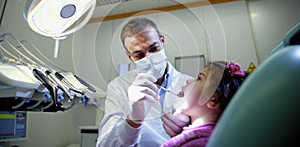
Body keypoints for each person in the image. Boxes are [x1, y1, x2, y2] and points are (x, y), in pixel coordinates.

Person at [96, 17, 193, 147]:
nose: (149, 58)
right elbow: (105, 145)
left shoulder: (190, 84)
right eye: (139, 55)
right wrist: (133, 120)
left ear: (162, 41)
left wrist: (190, 134)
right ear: (130, 56)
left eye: (153, 49)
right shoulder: (118, 87)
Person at [161, 61, 248, 147]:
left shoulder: (204, 143)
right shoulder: (201, 138)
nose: (188, 80)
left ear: (213, 99)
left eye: (199, 78)